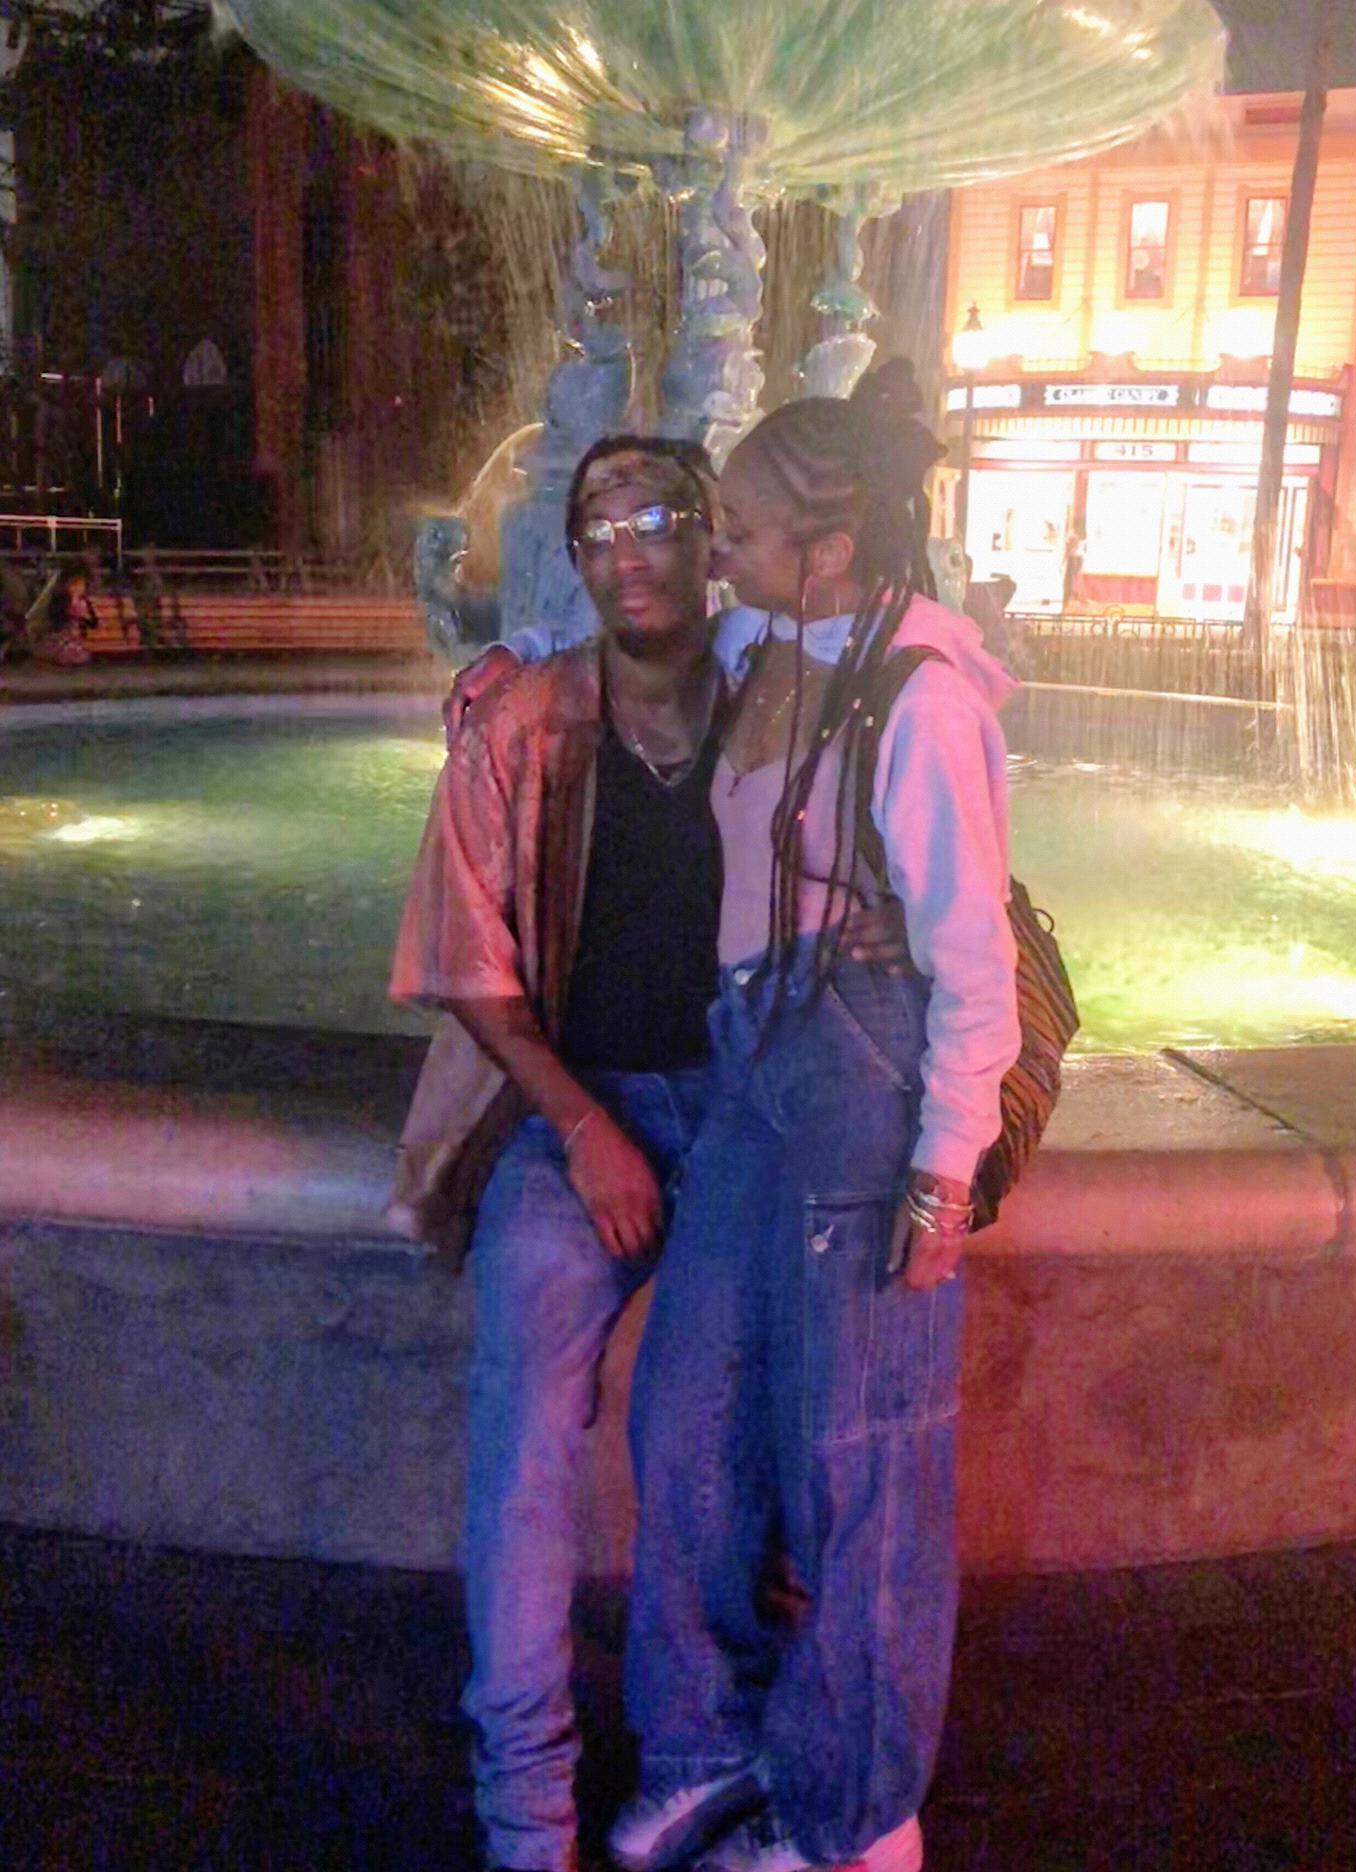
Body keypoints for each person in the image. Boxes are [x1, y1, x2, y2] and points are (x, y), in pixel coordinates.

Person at [390, 435, 904, 1872]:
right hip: (578, 1119)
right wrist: (583, 1130)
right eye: (600, 528)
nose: (632, 550)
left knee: (719, 1430)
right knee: (521, 1425)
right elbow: (468, 964)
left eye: (663, 517)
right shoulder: (519, 720)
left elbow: (909, 847)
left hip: (749, 1121)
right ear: (574, 557)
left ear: (711, 538)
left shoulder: (787, 702)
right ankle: (524, 1796)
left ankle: (707, 1749)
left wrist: (894, 916)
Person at [611, 363, 1020, 1872]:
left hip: (859, 1075)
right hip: (752, 1062)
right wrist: (506, 665)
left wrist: (943, 1172)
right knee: (686, 1415)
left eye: (740, 529)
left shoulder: (922, 695)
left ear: (829, 550)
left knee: (863, 1460)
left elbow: (971, 954)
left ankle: (856, 1815)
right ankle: (707, 1743)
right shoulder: (775, 637)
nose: (714, 549)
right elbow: (624, 652)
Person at [33, 565, 99, 666]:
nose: (79, 588)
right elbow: (55, 619)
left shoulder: (83, 601)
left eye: (82, 585)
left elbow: (91, 622)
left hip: (74, 636)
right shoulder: (61, 600)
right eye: (75, 584)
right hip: (60, 635)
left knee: (79, 654)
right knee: (68, 652)